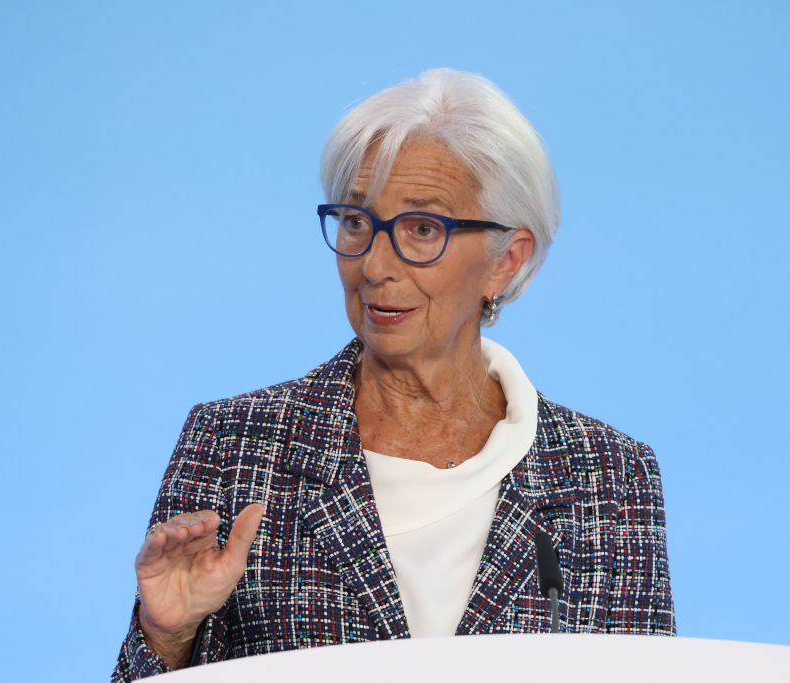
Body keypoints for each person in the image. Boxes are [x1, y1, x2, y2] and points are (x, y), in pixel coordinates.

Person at [112, 68, 675, 681]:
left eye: (423, 229)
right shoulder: (235, 446)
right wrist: (168, 638)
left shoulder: (609, 478)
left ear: (507, 260)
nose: (375, 265)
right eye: (357, 222)